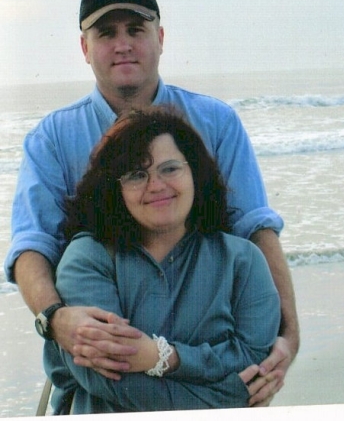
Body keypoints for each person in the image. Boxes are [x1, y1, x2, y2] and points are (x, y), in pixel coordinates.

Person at [5, 0, 299, 405]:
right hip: (104, 368)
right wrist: (56, 318)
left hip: (207, 345)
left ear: (160, 38)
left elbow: (254, 227)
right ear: (85, 49)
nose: (123, 44)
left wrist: (288, 337)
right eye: (106, 33)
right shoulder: (52, 137)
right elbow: (32, 245)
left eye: (136, 29)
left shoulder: (216, 122)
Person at [45, 108, 281, 413]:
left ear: (195, 172)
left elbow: (254, 357)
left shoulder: (243, 259)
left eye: (170, 169)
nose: (156, 185)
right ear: (115, 189)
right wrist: (230, 397)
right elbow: (107, 377)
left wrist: (165, 357)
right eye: (136, 174)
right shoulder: (88, 258)